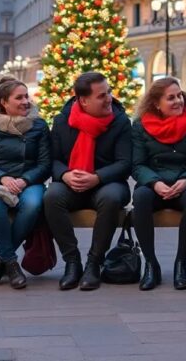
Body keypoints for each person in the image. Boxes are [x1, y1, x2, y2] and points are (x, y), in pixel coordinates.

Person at [44, 72, 132, 291]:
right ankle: (72, 262)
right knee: (51, 196)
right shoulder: (62, 121)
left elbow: (125, 163)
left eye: (109, 92)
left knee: (111, 198)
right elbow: (52, 160)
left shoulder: (120, 121)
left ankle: (94, 262)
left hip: (107, 182)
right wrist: (64, 174)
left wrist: (97, 178)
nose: (109, 98)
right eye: (102, 95)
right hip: (71, 182)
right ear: (83, 101)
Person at [131, 77, 186, 291]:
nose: (178, 101)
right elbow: (137, 165)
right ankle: (150, 264)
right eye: (171, 98)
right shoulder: (140, 126)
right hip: (154, 184)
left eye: (179, 96)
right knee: (140, 198)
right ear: (157, 103)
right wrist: (154, 182)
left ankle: (181, 263)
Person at [0, 77, 51, 289]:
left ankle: (1, 262)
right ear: (4, 102)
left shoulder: (39, 126)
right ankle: (11, 262)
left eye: (26, 96)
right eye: (19, 97)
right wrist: (2, 177)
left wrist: (24, 180)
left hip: (30, 182)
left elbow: (45, 164)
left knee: (33, 205)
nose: (26, 101)